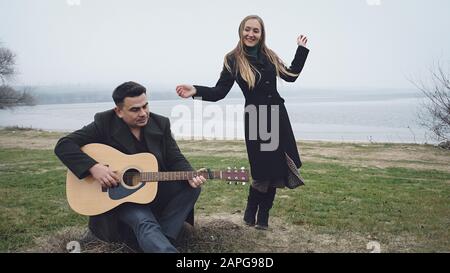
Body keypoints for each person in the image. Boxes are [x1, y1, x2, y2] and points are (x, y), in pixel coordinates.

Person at [176, 15, 309, 230]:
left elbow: (291, 75)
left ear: (261, 34)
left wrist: (301, 50)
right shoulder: (232, 59)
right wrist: (196, 91)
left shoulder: (269, 55)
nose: (251, 34)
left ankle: (263, 217)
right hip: (256, 119)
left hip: (277, 116)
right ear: (241, 31)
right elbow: (219, 92)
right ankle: (250, 212)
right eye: (247, 29)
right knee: (261, 170)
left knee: (276, 170)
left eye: (256, 31)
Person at [55, 81, 206, 252]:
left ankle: (161, 237)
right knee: (144, 222)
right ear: (118, 111)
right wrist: (94, 167)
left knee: (191, 187)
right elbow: (64, 145)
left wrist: (189, 173)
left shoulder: (160, 123)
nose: (143, 113)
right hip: (118, 196)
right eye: (135, 109)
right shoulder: (104, 123)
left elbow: (175, 157)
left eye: (145, 106)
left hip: (152, 191)